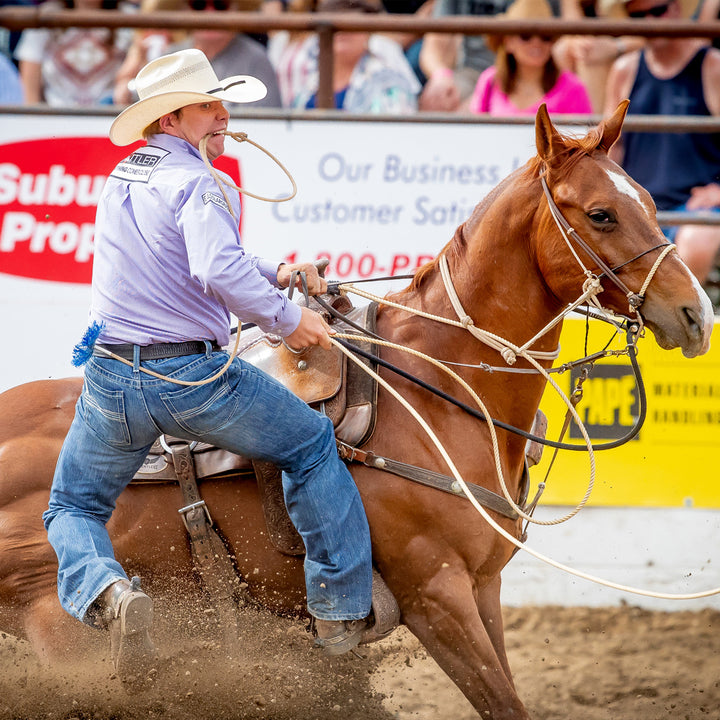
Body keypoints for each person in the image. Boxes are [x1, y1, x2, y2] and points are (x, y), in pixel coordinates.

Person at [42, 48, 374, 684]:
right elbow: (214, 269)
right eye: (207, 106)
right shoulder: (199, 182)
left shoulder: (125, 176)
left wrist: (274, 273)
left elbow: (193, 260)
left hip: (111, 378)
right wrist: (289, 318)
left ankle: (112, 594)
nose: (222, 116)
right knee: (309, 443)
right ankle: (338, 609)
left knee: (73, 507)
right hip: (191, 381)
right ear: (171, 120)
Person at [603, 0, 720, 285]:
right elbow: (610, 147)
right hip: (636, 206)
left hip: (693, 207)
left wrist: (718, 190)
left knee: (696, 241)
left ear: (677, 8)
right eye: (638, 15)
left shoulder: (711, 66)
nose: (649, 21)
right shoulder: (624, 70)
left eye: (657, 11)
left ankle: (687, 326)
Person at [287, 0, 420, 112]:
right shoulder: (309, 77)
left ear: (368, 29)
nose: (342, 30)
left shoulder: (389, 83)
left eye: (351, 23)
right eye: (335, 22)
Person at [468, 0, 593, 115]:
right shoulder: (489, 81)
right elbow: (474, 132)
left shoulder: (574, 88)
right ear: (508, 42)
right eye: (526, 36)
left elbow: (582, 136)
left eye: (545, 36)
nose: (536, 43)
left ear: (552, 43)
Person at [14, 0, 136, 106]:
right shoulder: (46, 14)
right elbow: (30, 68)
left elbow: (136, 67)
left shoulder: (130, 16)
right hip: (55, 114)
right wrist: (32, 116)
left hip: (108, 114)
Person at [553, 0, 644, 113]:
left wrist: (615, 47)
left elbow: (650, 32)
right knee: (564, 50)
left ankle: (598, 125)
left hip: (630, 53)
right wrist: (578, 44)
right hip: (595, 54)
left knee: (591, 59)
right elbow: (572, 30)